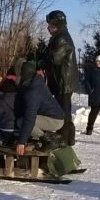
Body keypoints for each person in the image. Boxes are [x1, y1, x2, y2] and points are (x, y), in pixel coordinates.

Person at [39, 10, 78, 145]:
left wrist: (40, 63)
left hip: (63, 81)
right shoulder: (59, 36)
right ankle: (68, 137)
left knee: (63, 112)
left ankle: (65, 138)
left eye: (50, 25)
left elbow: (55, 58)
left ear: (57, 24)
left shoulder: (61, 38)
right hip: (61, 81)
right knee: (63, 109)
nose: (48, 28)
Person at [14, 61, 65, 155]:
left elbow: (30, 118)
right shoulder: (35, 81)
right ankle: (48, 137)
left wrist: (21, 142)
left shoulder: (33, 92)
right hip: (53, 116)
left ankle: (49, 140)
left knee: (21, 122)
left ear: (24, 74)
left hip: (55, 120)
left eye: (19, 73)